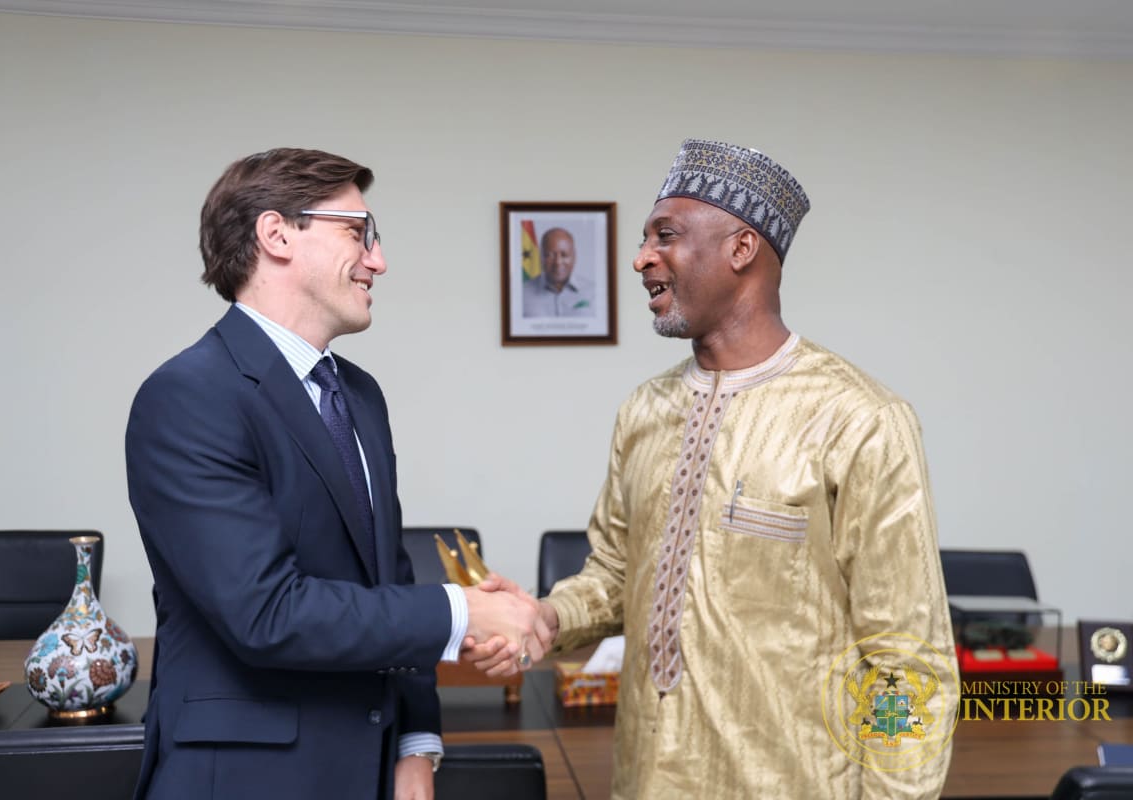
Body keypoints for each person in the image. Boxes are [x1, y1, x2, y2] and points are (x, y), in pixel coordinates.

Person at [471, 139, 958, 798]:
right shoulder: (644, 410)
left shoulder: (859, 419)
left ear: (740, 250)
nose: (641, 258)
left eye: (664, 236)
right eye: (645, 240)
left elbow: (906, 662)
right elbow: (617, 574)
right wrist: (546, 619)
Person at [125, 147, 547, 800]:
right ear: (276, 234)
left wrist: (415, 739)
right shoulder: (189, 395)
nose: (378, 259)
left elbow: (387, 578)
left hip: (372, 765)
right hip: (244, 778)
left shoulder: (359, 393)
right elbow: (266, 612)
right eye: (359, 232)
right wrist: (463, 612)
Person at [522, 227, 593, 317]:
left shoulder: (595, 293)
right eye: (550, 255)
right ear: (541, 257)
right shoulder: (522, 294)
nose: (558, 262)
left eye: (564, 255)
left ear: (574, 256)